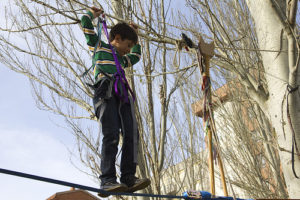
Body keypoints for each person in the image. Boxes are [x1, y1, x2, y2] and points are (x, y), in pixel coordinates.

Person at [81, 7, 150, 194]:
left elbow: (135, 56)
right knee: (111, 134)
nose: (128, 50)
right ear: (117, 38)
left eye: (130, 46)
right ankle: (107, 180)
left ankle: (128, 176)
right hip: (106, 91)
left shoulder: (122, 59)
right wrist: (92, 14)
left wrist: (135, 35)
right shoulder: (99, 47)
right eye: (127, 45)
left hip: (122, 94)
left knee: (131, 133)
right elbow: (86, 25)